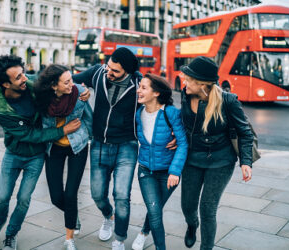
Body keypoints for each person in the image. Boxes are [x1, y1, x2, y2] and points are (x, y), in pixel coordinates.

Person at [72, 47, 175, 250]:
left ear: (127, 71)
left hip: (127, 146)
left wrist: (176, 132)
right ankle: (108, 215)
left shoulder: (138, 83)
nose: (109, 72)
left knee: (121, 195)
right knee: (97, 194)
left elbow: (163, 100)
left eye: (115, 71)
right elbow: (68, 79)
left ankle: (119, 238)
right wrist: (80, 90)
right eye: (109, 67)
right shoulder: (98, 72)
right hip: (100, 144)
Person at [0, 55, 86, 250]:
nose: (25, 79)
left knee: (23, 199)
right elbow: (30, 134)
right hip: (14, 153)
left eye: (23, 73)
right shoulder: (1, 110)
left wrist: (83, 91)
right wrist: (62, 131)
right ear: (6, 84)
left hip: (37, 156)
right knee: (2, 197)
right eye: (19, 77)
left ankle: (11, 233)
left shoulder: (31, 85)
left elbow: (57, 81)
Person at [179, 56, 253, 250]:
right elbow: (184, 124)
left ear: (202, 85)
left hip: (221, 161)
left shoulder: (228, 101)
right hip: (192, 159)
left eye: (188, 80)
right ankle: (192, 225)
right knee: (187, 206)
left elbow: (245, 132)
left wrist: (246, 162)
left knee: (207, 209)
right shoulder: (186, 94)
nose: (184, 83)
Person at [34, 64, 92, 250]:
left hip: (77, 147)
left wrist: (90, 138)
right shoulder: (42, 99)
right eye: (66, 82)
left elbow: (89, 119)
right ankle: (73, 217)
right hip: (54, 147)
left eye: (71, 80)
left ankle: (69, 238)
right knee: (56, 197)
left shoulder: (80, 93)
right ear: (53, 86)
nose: (71, 85)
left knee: (70, 193)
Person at [131, 74, 188, 250]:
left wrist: (175, 171)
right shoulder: (138, 114)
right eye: (139, 87)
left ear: (156, 93)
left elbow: (183, 143)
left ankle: (143, 231)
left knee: (155, 208)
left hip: (168, 173)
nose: (138, 90)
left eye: (143, 88)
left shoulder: (170, 113)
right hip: (145, 170)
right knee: (155, 211)